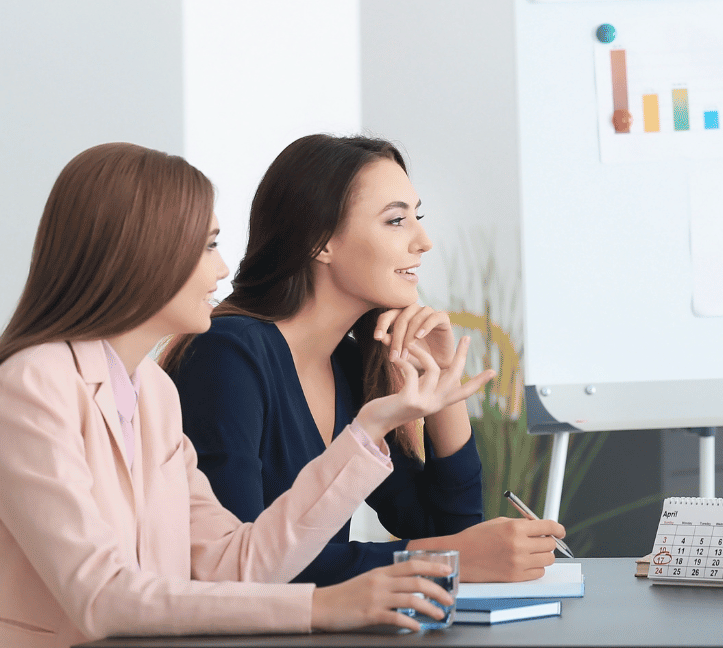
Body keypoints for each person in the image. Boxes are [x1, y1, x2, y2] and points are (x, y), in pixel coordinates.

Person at [0, 143, 489, 644]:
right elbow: (101, 596)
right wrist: (324, 605)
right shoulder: (31, 385)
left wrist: (371, 428)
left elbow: (237, 561)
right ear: (142, 250)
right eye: (209, 245)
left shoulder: (154, 395)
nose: (223, 268)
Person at [164, 135, 563, 585]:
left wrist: (445, 387)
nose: (424, 241)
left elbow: (448, 531)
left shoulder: (349, 364)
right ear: (320, 241)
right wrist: (435, 559)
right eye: (396, 220)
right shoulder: (228, 355)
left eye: (418, 217)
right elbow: (243, 563)